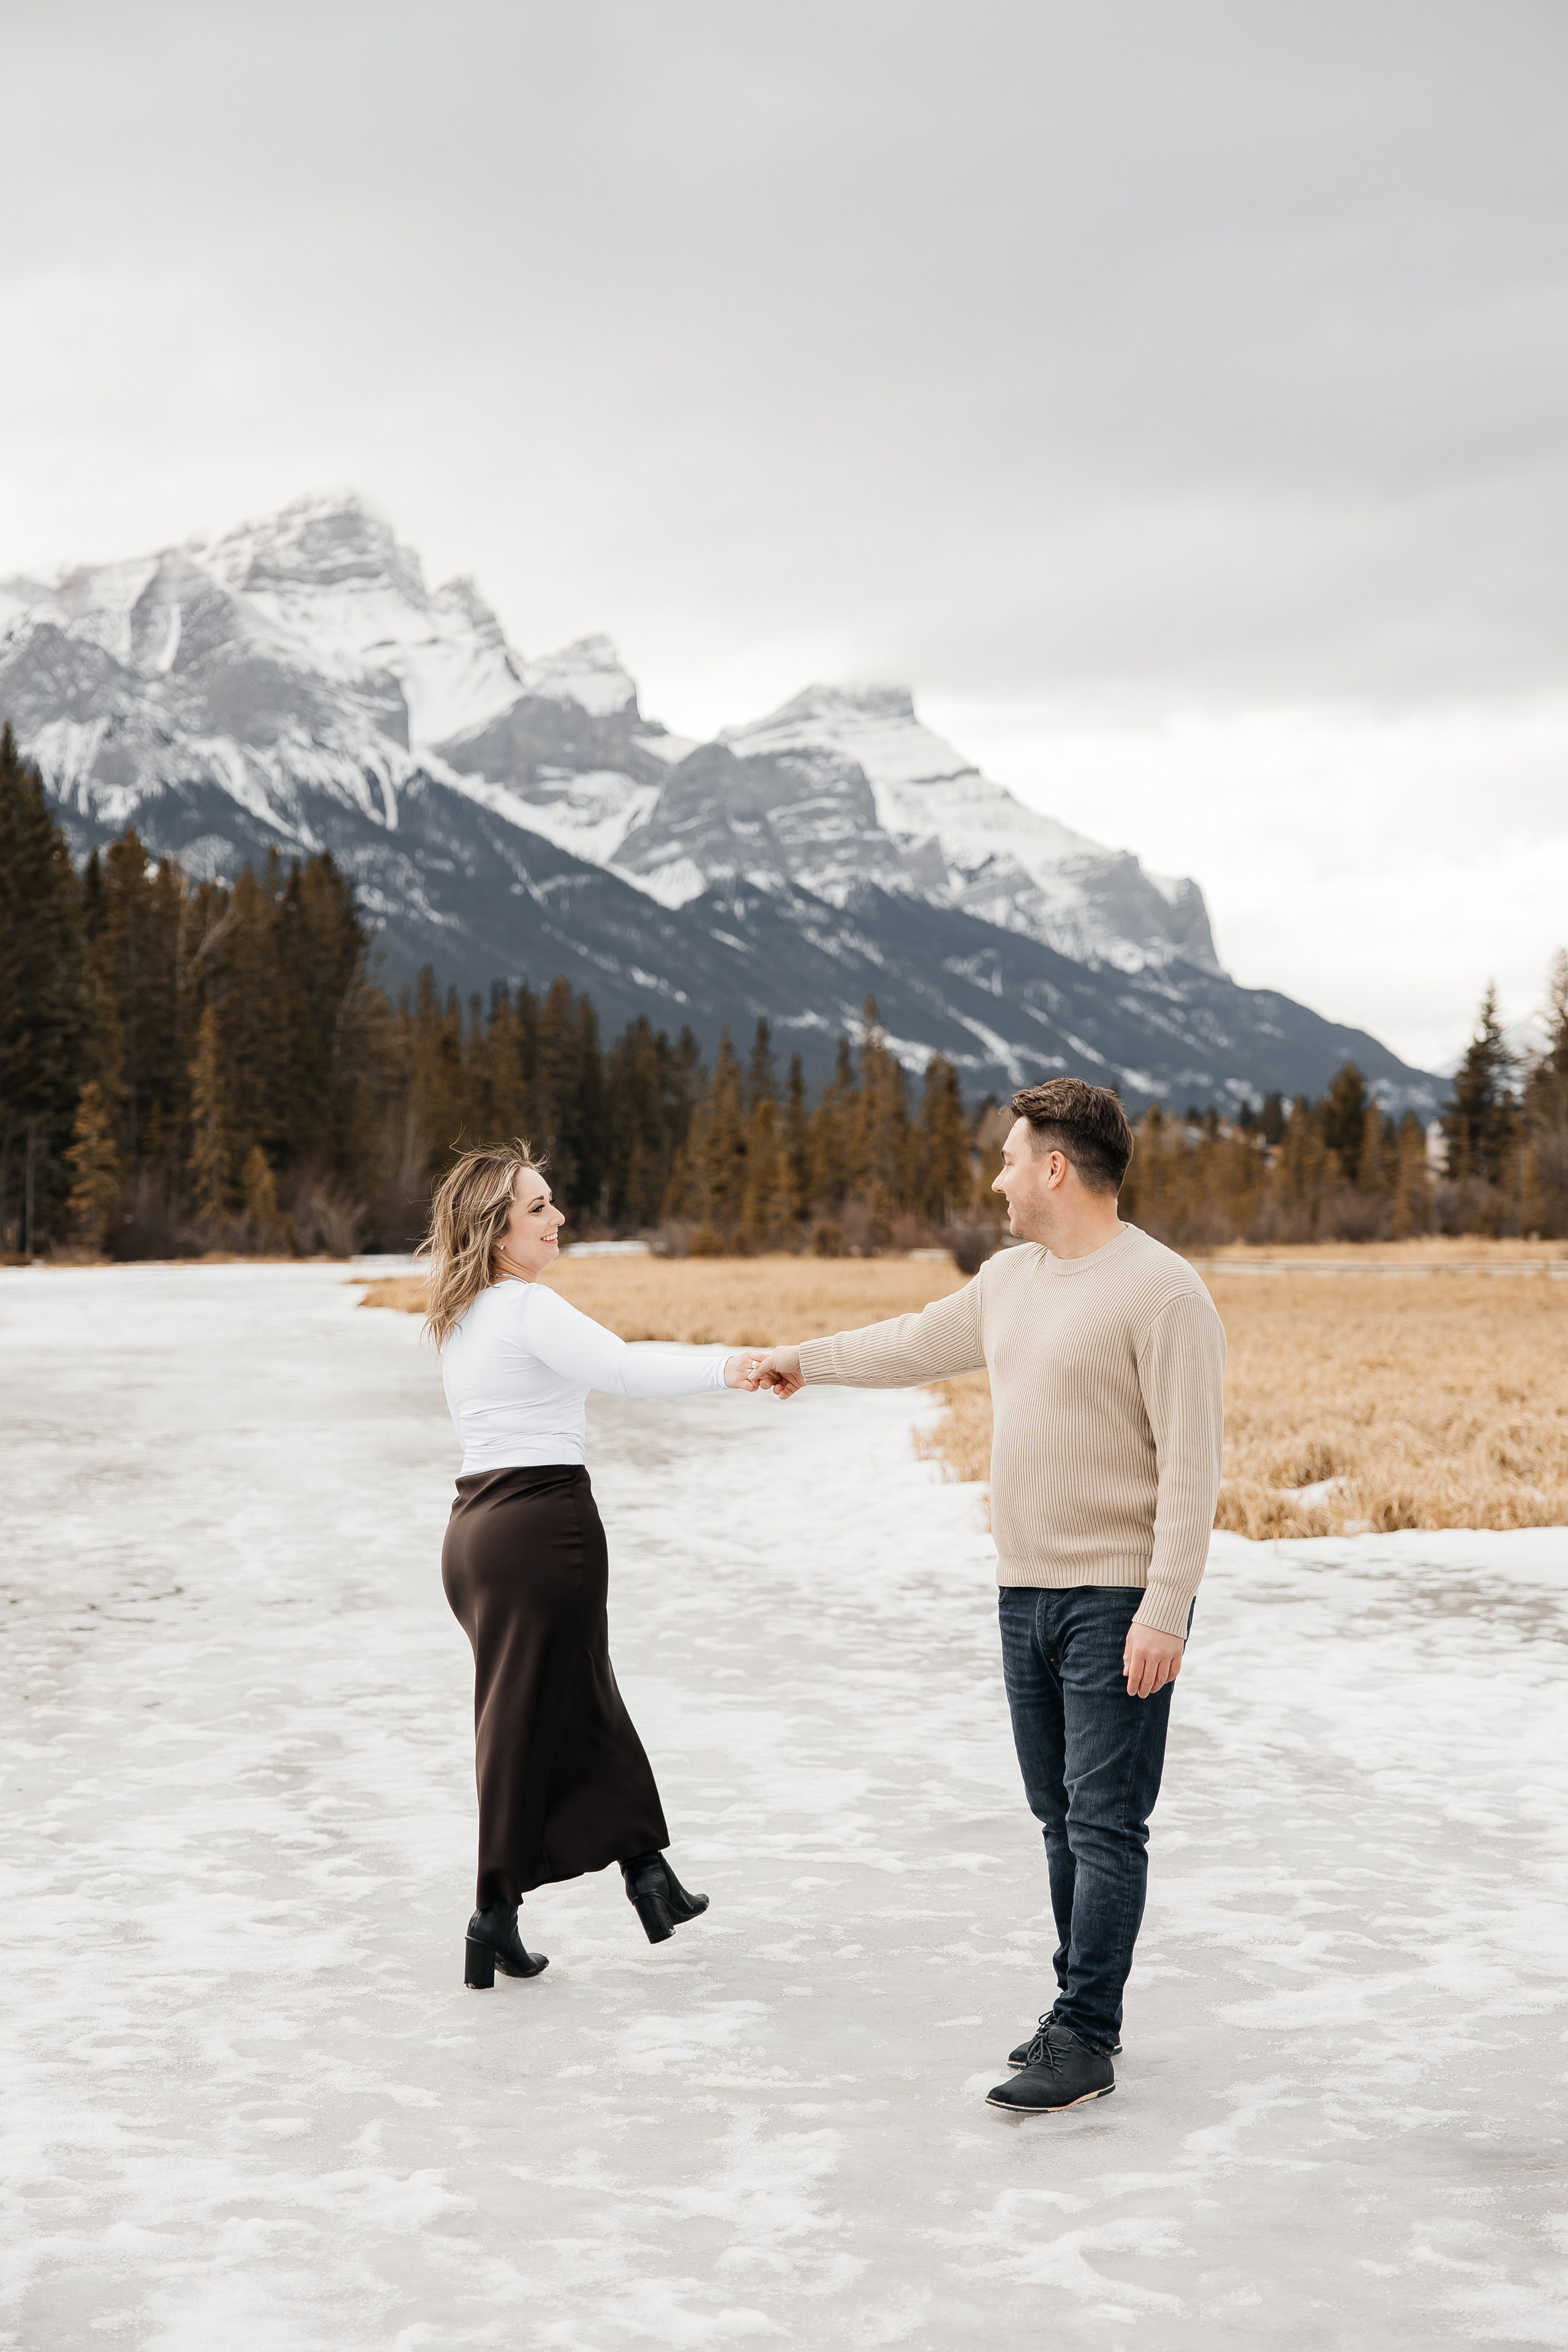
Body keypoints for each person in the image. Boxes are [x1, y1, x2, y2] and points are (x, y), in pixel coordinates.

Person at [748, 1077, 1224, 2115]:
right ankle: (1075, 2007)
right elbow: (917, 1341)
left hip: (1115, 1600)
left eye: (1011, 1158)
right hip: (1025, 1596)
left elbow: (1193, 1467)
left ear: (1057, 1167)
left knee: (1105, 1825)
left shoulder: (1166, 1292)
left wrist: (1166, 1607)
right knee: (1058, 1819)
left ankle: (1087, 2036)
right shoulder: (1011, 1279)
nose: (999, 1177)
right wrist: (804, 1362)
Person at [424, 1140, 764, 1990]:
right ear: (496, 1229)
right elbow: (622, 1368)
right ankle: (510, 1906)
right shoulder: (526, 1308)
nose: (557, 1218)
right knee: (545, 1709)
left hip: (476, 1533)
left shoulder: (459, 1317)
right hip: (544, 1527)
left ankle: (632, 1877)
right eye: (538, 1207)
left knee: (562, 1701)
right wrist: (730, 1368)